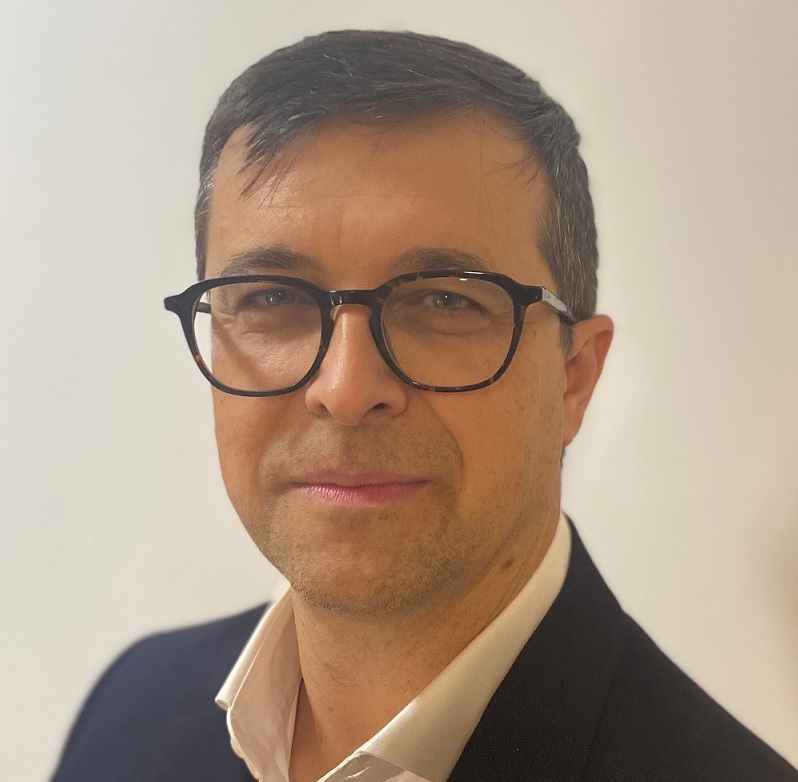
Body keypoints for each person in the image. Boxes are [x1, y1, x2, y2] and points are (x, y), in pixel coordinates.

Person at [51, 30, 797, 782]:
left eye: (445, 300)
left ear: (572, 378)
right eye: (272, 298)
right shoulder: (131, 709)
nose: (345, 390)